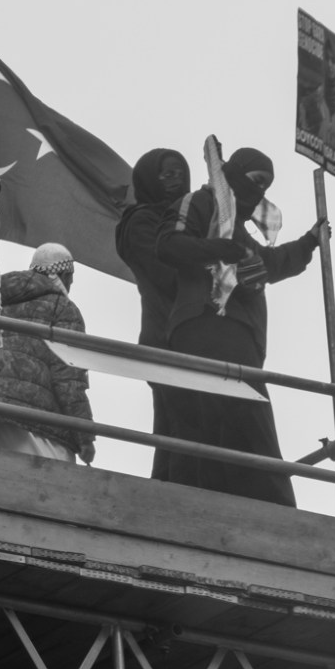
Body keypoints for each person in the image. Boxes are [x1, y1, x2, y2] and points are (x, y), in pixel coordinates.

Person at [154, 147, 326, 505]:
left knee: (236, 426)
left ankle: (245, 505)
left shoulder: (240, 234)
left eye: (266, 186)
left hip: (239, 336)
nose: (260, 192)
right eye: (256, 181)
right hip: (203, 326)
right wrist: (216, 248)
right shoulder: (200, 203)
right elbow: (169, 244)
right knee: (225, 419)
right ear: (235, 174)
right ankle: (265, 507)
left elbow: (268, 264)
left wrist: (309, 242)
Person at [115, 148, 193, 479]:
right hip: (165, 337)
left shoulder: (187, 222)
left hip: (191, 337)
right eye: (165, 174)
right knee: (178, 428)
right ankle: (169, 497)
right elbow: (166, 274)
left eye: (179, 173)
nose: (173, 180)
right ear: (148, 179)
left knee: (190, 430)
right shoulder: (142, 221)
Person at [0, 244, 96, 463]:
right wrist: (85, 437)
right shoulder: (64, 309)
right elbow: (69, 378)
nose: (71, 285)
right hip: (35, 423)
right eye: (71, 279)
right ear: (63, 275)